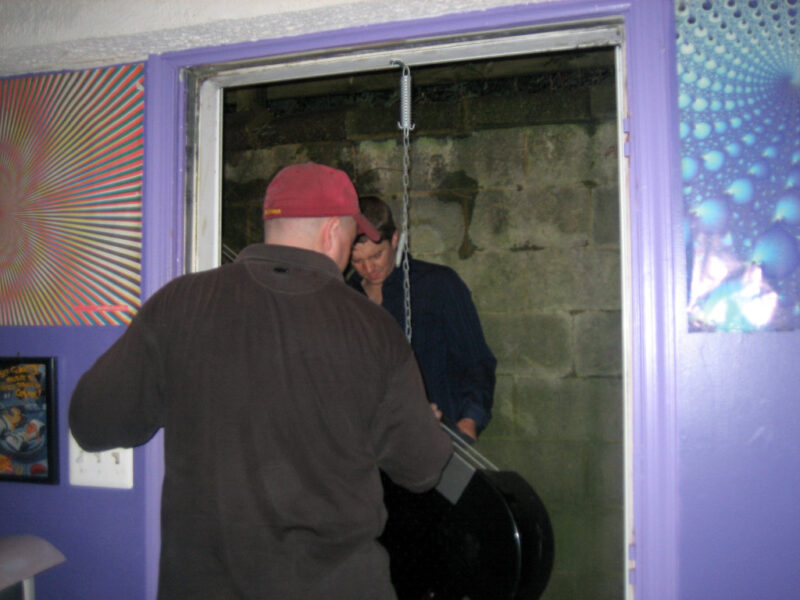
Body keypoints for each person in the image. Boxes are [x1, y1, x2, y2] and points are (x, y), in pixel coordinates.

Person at [69, 163, 453, 600]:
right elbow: (422, 470)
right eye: (352, 236)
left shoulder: (178, 304)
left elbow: (90, 423)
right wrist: (419, 420)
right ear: (332, 232)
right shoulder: (375, 330)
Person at [348, 196, 496, 441]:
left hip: (435, 437)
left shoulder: (438, 285)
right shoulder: (347, 298)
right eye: (357, 261)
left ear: (394, 239)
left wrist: (470, 421)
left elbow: (476, 361)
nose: (369, 268)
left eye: (376, 256)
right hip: (370, 442)